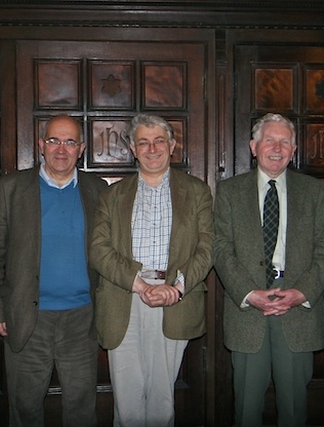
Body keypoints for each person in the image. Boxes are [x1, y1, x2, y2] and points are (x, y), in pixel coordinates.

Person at [89, 114, 214, 427]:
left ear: (172, 145)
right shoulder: (111, 195)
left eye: (159, 140)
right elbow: (99, 251)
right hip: (124, 297)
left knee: (161, 401)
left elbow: (208, 247)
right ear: (133, 148)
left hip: (175, 299)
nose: (152, 148)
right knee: (127, 402)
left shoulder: (197, 192)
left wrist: (177, 286)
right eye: (143, 142)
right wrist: (140, 285)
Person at [0, 115, 107, 427]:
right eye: (54, 140)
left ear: (81, 148)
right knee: (25, 410)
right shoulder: (12, 188)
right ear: (41, 145)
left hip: (82, 320)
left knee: (82, 409)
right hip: (27, 319)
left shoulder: (98, 189)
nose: (61, 149)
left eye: (69, 142)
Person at [213, 113, 324, 427]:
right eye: (270, 140)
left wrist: (301, 292)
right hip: (247, 313)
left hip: (297, 313)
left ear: (294, 150)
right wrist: (249, 293)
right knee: (246, 410)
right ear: (254, 147)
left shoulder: (313, 191)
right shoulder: (229, 191)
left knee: (294, 410)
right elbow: (221, 249)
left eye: (285, 142)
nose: (277, 148)